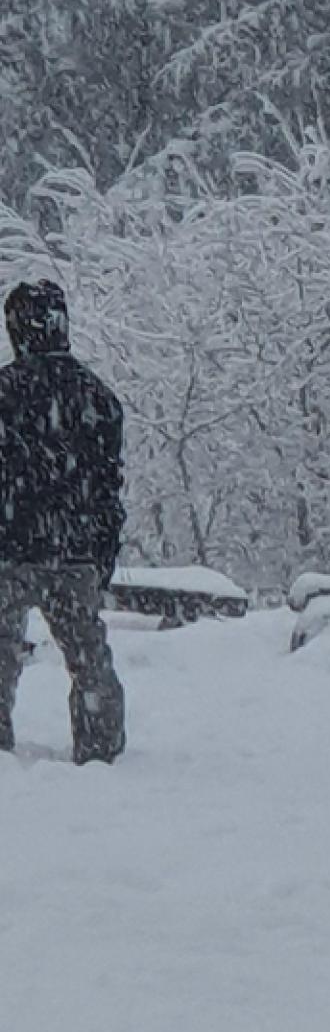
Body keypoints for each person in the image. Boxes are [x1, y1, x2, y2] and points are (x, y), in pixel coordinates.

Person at [0, 279, 128, 764]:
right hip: (73, 552)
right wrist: (101, 556)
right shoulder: (97, 397)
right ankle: (99, 748)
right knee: (89, 659)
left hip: (7, 550)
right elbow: (107, 487)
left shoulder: (4, 394)